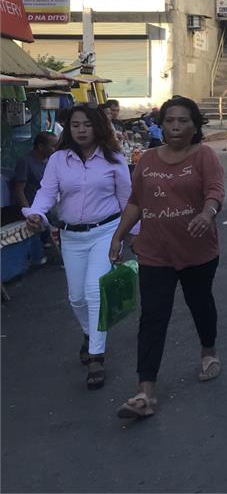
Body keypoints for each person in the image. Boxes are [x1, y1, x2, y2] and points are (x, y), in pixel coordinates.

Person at [107, 97, 225, 420]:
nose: (175, 126)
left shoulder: (204, 157)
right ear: (162, 124)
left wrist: (207, 213)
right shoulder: (146, 159)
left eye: (183, 121)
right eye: (170, 120)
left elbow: (215, 192)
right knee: (153, 318)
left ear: (195, 126)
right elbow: (135, 202)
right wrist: (118, 235)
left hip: (197, 252)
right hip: (154, 253)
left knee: (200, 304)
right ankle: (145, 391)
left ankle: (208, 350)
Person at [23, 104, 131, 391]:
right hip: (71, 236)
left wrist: (131, 236)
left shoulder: (114, 158)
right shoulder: (59, 160)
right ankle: (89, 333)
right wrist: (37, 213)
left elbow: (128, 200)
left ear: (98, 126)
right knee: (76, 298)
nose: (81, 130)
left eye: (87, 124)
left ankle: (96, 355)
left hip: (105, 232)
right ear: (69, 129)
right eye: (75, 125)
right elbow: (47, 192)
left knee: (95, 292)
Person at [12, 131, 59, 264]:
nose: (55, 149)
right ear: (40, 146)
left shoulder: (50, 161)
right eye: (53, 146)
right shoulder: (26, 162)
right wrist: (28, 212)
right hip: (32, 206)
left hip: (49, 206)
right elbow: (19, 190)